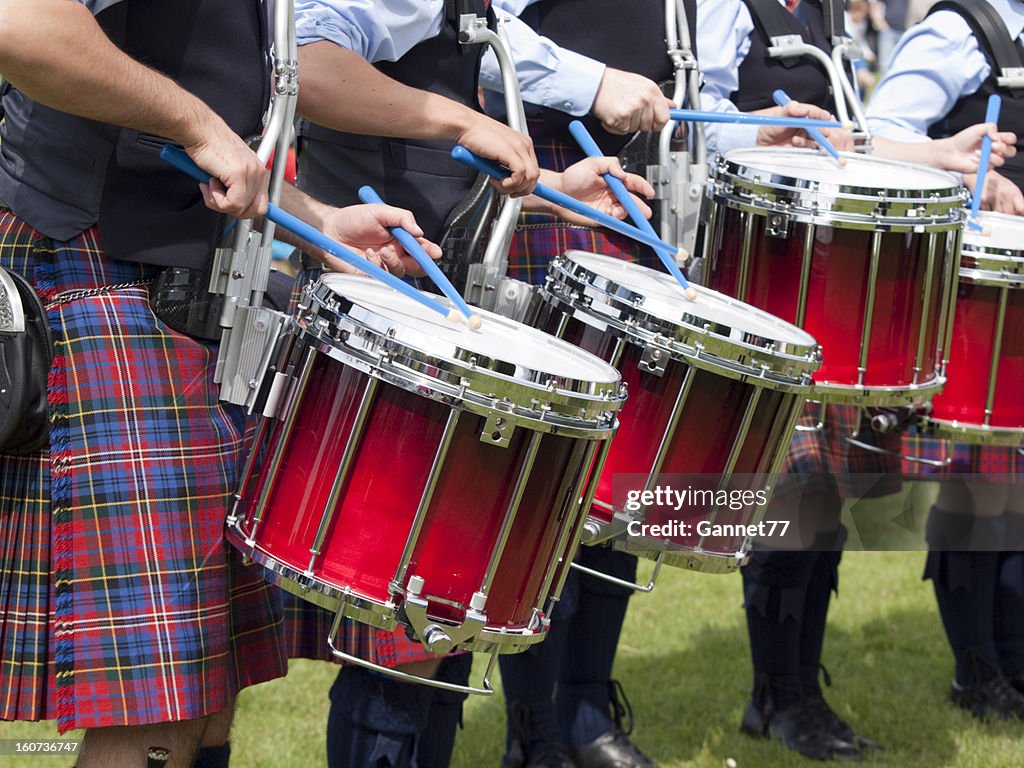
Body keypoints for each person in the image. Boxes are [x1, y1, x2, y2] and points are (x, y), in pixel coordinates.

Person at [0, 2, 448, 767]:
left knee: (204, 695)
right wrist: (195, 121)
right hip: (91, 273)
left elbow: (211, 150)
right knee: (155, 715)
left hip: (184, 291)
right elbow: (21, 23)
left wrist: (314, 220)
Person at [253, 5, 663, 768]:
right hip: (388, 340)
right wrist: (458, 122)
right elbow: (305, 64)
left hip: (432, 329)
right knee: (401, 633)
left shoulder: (466, 13)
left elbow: (446, 169)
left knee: (437, 627)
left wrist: (554, 188)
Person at [697, 0, 1017, 759]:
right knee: (792, 500)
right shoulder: (717, 10)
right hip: (767, 274)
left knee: (827, 499)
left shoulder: (820, 17)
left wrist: (943, 159)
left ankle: (798, 692)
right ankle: (777, 695)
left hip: (832, 289)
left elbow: (856, 147)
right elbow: (704, 133)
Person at [867, 0, 1024, 720]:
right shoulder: (964, 31)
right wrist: (971, 180)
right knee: (978, 486)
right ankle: (977, 668)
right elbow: (876, 134)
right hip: (980, 292)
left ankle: (1014, 662)